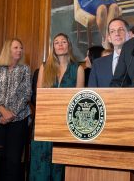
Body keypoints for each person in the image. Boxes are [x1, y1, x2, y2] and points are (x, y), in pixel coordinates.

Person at [29, 33, 85, 181]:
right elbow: (39, 95)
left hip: (66, 124)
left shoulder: (78, 69)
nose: (60, 45)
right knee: (40, 163)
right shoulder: (44, 67)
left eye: (63, 42)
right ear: (53, 47)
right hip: (44, 122)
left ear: (69, 45)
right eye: (56, 43)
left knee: (61, 164)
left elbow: (79, 101)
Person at [0, 38, 32, 181]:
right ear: (8, 50)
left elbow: (26, 94)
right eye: (16, 47)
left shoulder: (25, 69)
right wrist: (3, 112)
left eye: (21, 48)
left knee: (14, 159)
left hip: (19, 120)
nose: (19, 50)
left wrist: (12, 114)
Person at [89, 18, 130, 88]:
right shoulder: (98, 64)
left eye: (121, 30)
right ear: (109, 38)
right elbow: (93, 92)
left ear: (128, 35)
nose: (117, 33)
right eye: (112, 31)